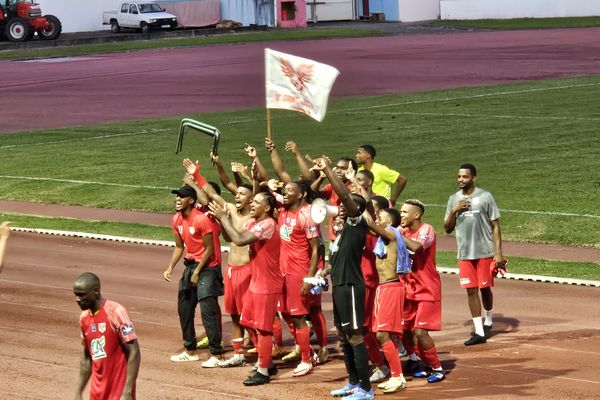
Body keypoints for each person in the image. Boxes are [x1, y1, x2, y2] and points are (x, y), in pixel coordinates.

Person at [312, 157, 374, 400]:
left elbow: (348, 199)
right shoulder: (339, 236)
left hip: (350, 287)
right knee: (342, 334)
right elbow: (335, 263)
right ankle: (353, 382)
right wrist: (322, 274)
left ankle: (366, 389)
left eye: (346, 208)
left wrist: (328, 171)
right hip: (339, 286)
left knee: (355, 334)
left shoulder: (356, 224)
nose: (340, 211)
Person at [183, 159, 254, 368]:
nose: (236, 195)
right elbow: (213, 195)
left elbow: (259, 190)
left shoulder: (257, 216)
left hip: (250, 270)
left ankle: (266, 349)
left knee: (251, 314)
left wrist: (252, 175)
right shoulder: (230, 209)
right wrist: (196, 175)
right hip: (233, 269)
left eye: (242, 194)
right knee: (233, 312)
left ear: (253, 199)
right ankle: (239, 353)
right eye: (237, 194)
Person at [209, 191, 282, 385]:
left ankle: (264, 371)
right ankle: (267, 362)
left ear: (266, 208)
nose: (252, 204)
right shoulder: (253, 223)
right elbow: (231, 237)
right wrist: (221, 221)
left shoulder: (267, 225)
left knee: (264, 329)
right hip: (256, 282)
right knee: (247, 321)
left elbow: (241, 240)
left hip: (267, 284)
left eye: (256, 202)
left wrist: (224, 217)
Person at [443, 163, 505, 346]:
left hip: (485, 252)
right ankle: (479, 331)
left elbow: (495, 226)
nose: (460, 180)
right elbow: (447, 228)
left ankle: (489, 320)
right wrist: (455, 210)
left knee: (485, 288)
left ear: (474, 178)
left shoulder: (485, 197)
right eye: (459, 176)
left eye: (465, 177)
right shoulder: (453, 199)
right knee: (471, 290)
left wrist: (498, 253)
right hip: (464, 253)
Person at [163, 184, 224, 364]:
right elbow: (180, 247)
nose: (178, 199)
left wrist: (197, 272)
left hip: (207, 268)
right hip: (191, 266)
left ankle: (217, 354)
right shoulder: (176, 219)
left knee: (208, 311)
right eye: (177, 196)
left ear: (191, 200)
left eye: (182, 197)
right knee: (184, 309)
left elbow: (210, 249)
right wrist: (170, 267)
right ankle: (190, 351)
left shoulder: (201, 220)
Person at [73, 272, 141, 400]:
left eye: (81, 295)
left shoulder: (116, 312)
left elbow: (134, 351)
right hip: (97, 393)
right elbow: (87, 358)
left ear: (96, 291)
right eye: (76, 294)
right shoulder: (83, 319)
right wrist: (79, 391)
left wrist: (127, 391)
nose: (77, 299)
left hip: (118, 392)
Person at [399, 199, 445, 383]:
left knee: (420, 332)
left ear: (416, 215)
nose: (401, 215)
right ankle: (422, 362)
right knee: (404, 329)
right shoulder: (402, 231)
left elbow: (416, 247)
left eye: (404, 212)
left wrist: (395, 233)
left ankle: (437, 368)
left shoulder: (427, 230)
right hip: (409, 287)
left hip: (427, 289)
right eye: (400, 212)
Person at [364, 207, 407, 394]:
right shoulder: (383, 238)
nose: (377, 220)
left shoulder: (390, 233)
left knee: (382, 334)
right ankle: (395, 375)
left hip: (390, 287)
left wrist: (358, 190)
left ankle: (397, 376)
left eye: (380, 218)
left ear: (388, 223)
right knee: (382, 333)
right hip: (384, 287)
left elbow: (370, 223)